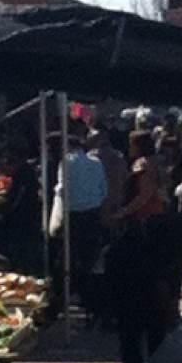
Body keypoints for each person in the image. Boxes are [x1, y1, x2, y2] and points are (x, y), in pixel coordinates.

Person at [108, 161, 182, 363]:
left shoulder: (150, 220)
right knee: (143, 329)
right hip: (144, 283)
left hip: (143, 282)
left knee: (140, 329)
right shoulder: (150, 222)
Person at [58, 125, 111, 316]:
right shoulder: (96, 163)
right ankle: (91, 302)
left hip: (73, 215)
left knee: (71, 258)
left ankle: (75, 293)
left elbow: (61, 190)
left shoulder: (66, 162)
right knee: (91, 259)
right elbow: (104, 191)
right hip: (93, 215)